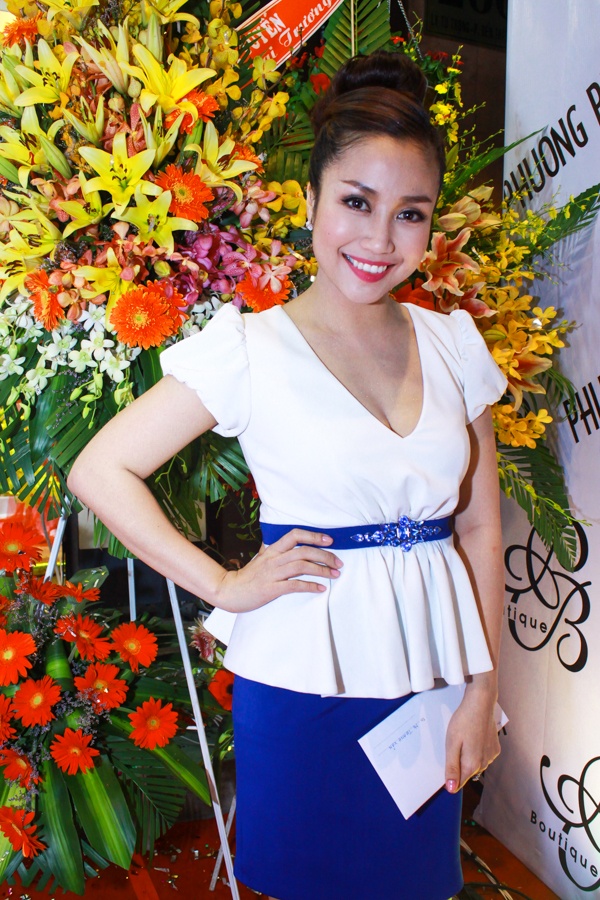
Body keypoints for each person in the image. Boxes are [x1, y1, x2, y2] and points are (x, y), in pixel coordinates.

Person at [68, 50, 507, 900]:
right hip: (303, 679)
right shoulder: (249, 349)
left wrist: (484, 688)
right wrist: (222, 586)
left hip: (433, 680)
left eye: (410, 214)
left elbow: (481, 526)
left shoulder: (454, 344)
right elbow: (101, 468)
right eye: (356, 202)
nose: (380, 240)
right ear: (309, 203)